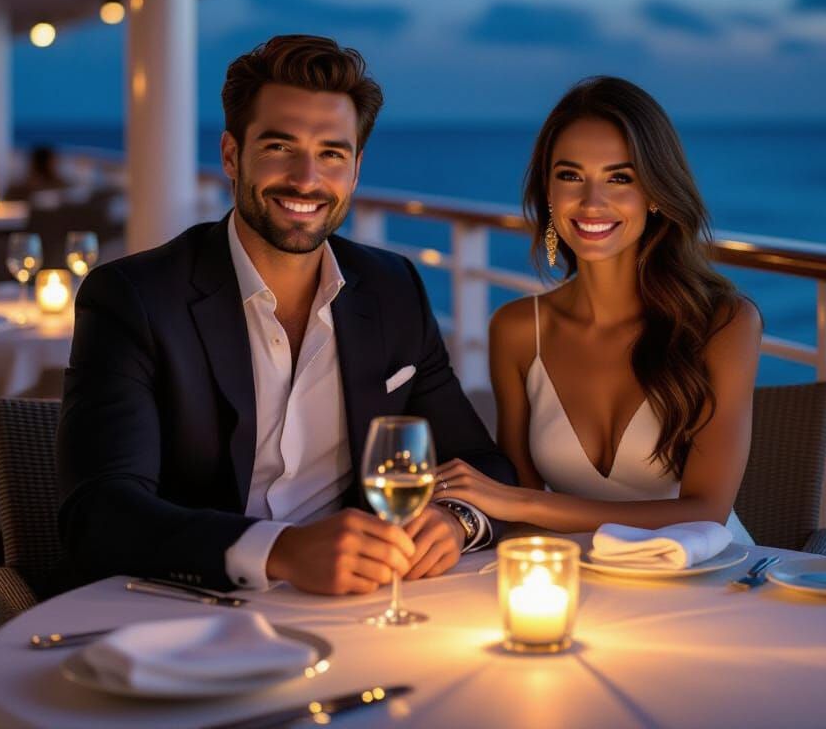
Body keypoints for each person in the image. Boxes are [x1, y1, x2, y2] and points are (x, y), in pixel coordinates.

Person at [57, 35, 515, 596]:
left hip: (354, 608)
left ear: (356, 167)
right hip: (186, 611)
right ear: (231, 154)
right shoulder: (135, 296)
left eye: (331, 154)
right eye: (279, 147)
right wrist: (280, 551)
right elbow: (101, 513)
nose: (306, 179)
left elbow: (481, 463)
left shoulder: (393, 289)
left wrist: (455, 520)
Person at [436, 77, 760, 540]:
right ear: (548, 193)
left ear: (654, 194)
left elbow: (705, 512)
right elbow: (521, 514)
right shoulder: (517, 330)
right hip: (579, 579)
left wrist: (523, 501)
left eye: (619, 178)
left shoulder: (724, 323)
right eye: (570, 176)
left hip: (705, 575)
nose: (591, 203)